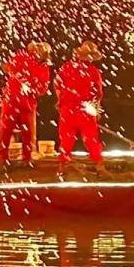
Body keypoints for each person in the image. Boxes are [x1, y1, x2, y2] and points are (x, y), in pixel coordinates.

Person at [0, 42, 51, 164]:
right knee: (6, 129)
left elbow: (42, 88)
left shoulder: (44, 68)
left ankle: (27, 158)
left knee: (28, 133)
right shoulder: (21, 57)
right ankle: (2, 157)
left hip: (27, 103)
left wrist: (32, 88)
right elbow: (9, 68)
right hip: (11, 100)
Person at [55, 41, 105, 171]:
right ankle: (99, 165)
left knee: (66, 139)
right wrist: (96, 111)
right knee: (91, 138)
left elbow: (57, 86)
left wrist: (61, 102)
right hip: (85, 109)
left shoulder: (66, 67)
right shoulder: (93, 71)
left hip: (67, 109)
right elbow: (98, 94)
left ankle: (63, 167)